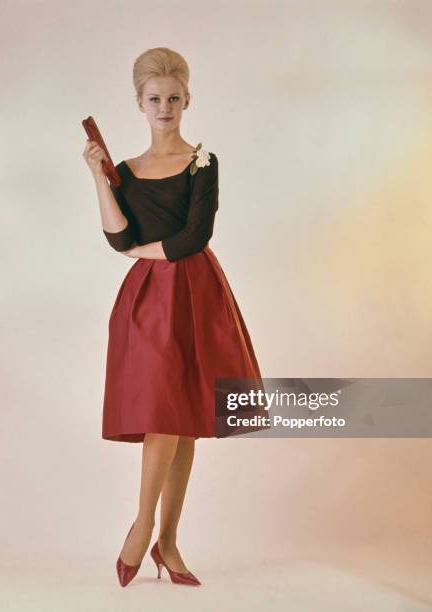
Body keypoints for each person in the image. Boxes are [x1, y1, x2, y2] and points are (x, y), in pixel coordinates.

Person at [82, 47, 267, 588]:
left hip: (196, 290)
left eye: (174, 98)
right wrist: (98, 177)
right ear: (139, 104)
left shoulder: (202, 161)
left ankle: (164, 539)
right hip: (147, 300)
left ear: (188, 100)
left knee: (184, 417)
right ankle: (147, 531)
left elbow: (194, 237)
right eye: (155, 98)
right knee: (164, 407)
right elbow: (118, 235)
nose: (165, 107)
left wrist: (140, 253)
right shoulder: (126, 171)